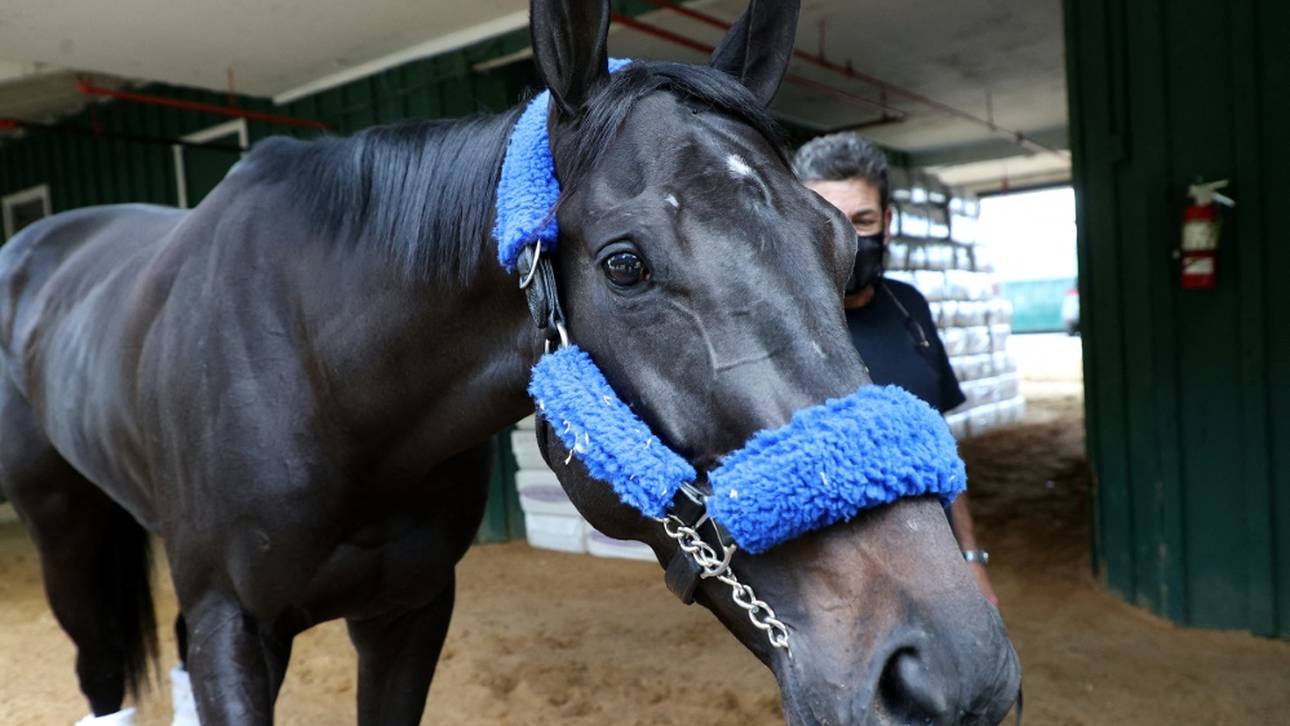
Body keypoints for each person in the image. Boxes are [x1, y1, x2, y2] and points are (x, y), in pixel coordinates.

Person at [793, 132, 999, 606]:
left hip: (937, 565)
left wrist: (971, 558)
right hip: (837, 588)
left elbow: (940, 447)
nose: (847, 236)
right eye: (828, 218)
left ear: (887, 222)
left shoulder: (909, 307)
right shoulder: (775, 326)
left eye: (862, 220)